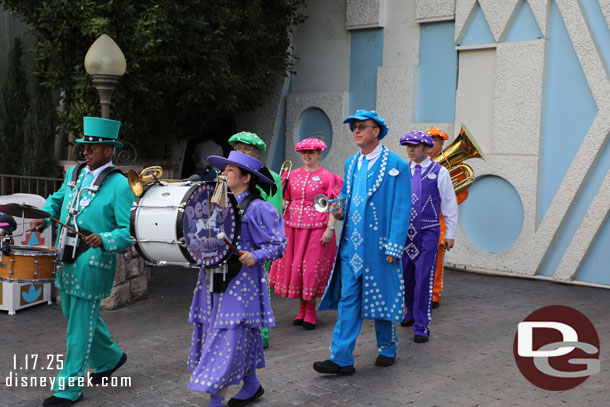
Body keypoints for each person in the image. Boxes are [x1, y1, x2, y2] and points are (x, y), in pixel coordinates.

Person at [30, 117, 134, 407]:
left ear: (108, 151)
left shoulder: (120, 185)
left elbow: (129, 230)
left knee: (78, 325)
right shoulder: (74, 175)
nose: (85, 151)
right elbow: (58, 199)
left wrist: (105, 239)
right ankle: (111, 357)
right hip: (66, 256)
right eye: (84, 146)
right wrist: (44, 214)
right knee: (72, 313)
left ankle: (69, 387)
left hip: (93, 262)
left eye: (91, 147)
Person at [313, 109, 411, 374]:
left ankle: (388, 346)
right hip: (351, 247)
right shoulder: (351, 163)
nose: (356, 130)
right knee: (348, 300)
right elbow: (345, 194)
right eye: (354, 127)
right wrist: (337, 208)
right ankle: (341, 358)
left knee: (382, 296)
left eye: (362, 126)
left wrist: (395, 244)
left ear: (376, 131)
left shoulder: (397, 165)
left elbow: (402, 208)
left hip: (380, 245)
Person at [187, 151, 286, 407]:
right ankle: (252, 384)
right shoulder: (218, 202)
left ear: (245, 178)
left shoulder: (259, 208)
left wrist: (256, 255)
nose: (223, 174)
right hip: (212, 279)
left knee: (227, 336)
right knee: (234, 335)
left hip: (241, 284)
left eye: (229, 170)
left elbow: (279, 245)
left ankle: (215, 400)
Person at [269, 137, 343, 329]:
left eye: (312, 152)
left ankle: (310, 311)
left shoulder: (328, 177)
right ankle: (302, 309)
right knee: (297, 268)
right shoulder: (291, 175)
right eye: (304, 152)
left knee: (310, 269)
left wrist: (330, 228)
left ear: (320, 154)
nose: (307, 155)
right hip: (292, 228)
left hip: (317, 229)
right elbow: (284, 200)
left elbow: (333, 204)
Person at [399, 131, 458, 343]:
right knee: (406, 274)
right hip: (405, 233)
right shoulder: (402, 170)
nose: (411, 150)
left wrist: (450, 232)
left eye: (415, 146)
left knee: (424, 276)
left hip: (428, 232)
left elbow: (450, 202)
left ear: (426, 147)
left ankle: (422, 324)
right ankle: (410, 311)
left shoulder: (439, 172)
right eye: (408, 146)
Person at [227, 131, 282, 349]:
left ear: (257, 152)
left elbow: (274, 211)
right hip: (234, 241)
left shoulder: (271, 176)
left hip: (259, 241)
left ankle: (262, 334)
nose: (241, 152)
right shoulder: (228, 176)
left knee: (260, 284)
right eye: (238, 148)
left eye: (246, 149)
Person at [425, 127, 469, 308]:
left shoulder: (449, 168)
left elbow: (461, 194)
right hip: (419, 223)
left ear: (442, 143)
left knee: (436, 264)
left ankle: (434, 295)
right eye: (427, 141)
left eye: (435, 141)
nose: (430, 145)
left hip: (439, 222)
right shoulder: (417, 164)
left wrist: (442, 197)